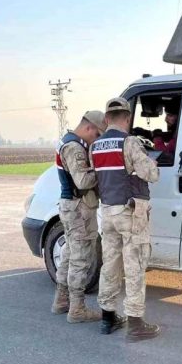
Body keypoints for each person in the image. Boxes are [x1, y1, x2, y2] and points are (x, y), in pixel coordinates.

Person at [90, 97, 161, 341]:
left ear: (107, 119)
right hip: (129, 213)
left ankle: (107, 319)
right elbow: (151, 174)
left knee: (110, 265)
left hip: (107, 212)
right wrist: (152, 162)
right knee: (134, 266)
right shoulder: (129, 142)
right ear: (128, 118)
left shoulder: (96, 146)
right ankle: (135, 323)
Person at [52, 110, 108, 323]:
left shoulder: (68, 141)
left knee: (68, 253)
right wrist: (103, 169)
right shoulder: (74, 147)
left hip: (71, 207)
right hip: (78, 208)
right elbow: (83, 182)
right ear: (88, 128)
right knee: (80, 258)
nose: (97, 139)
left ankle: (61, 301)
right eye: (97, 135)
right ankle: (77, 309)